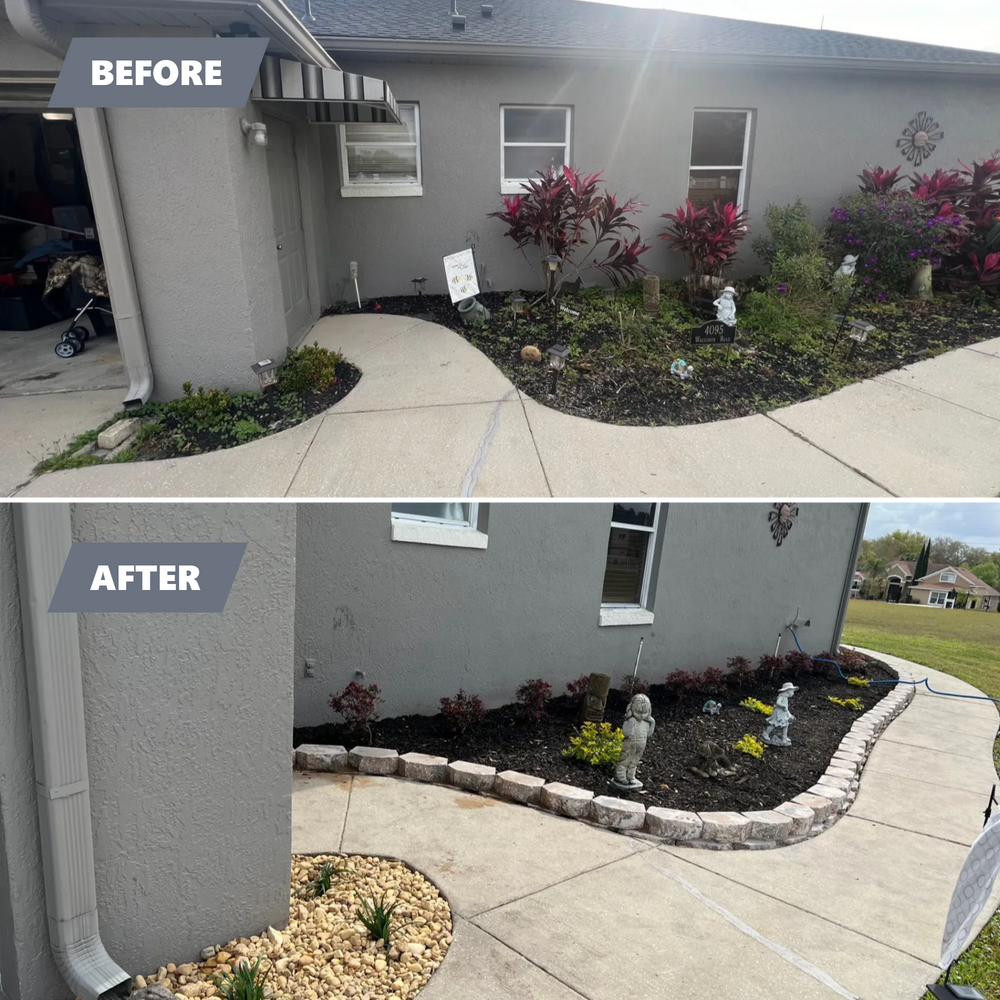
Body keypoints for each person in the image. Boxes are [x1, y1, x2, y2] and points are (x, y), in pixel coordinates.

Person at [762, 682, 797, 747]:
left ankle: (784, 737)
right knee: (774, 724)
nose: (793, 693)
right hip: (778, 713)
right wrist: (783, 706)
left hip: (782, 714)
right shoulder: (782, 696)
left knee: (786, 724)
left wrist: (789, 715)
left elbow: (786, 710)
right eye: (792, 691)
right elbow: (778, 702)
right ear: (787, 691)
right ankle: (765, 733)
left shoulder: (786, 698)